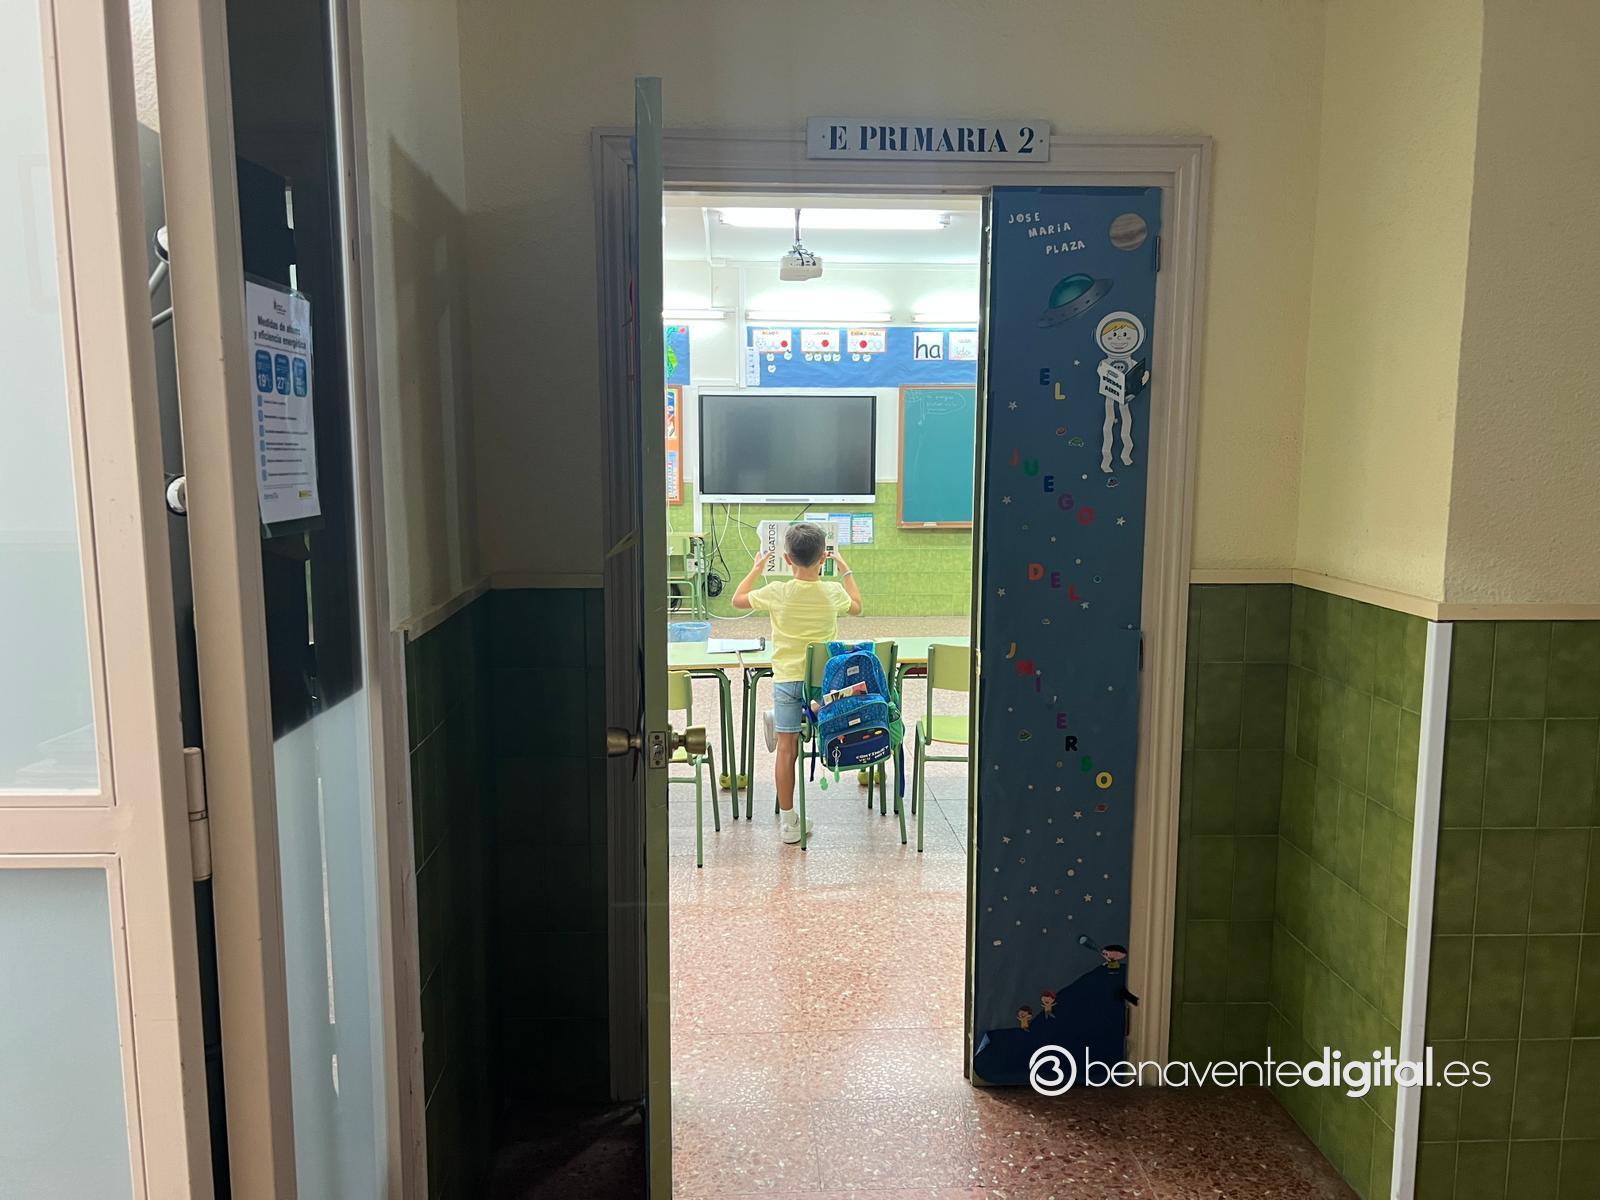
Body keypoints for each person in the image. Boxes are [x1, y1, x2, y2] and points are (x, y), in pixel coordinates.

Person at [731, 522, 863, 843]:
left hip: (787, 681)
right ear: (824, 558)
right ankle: (809, 712)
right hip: (824, 687)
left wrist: (757, 568)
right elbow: (857, 607)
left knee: (786, 748)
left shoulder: (777, 591)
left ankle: (789, 822)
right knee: (850, 690)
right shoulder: (833, 592)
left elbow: (738, 599)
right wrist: (846, 571)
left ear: (788, 559)